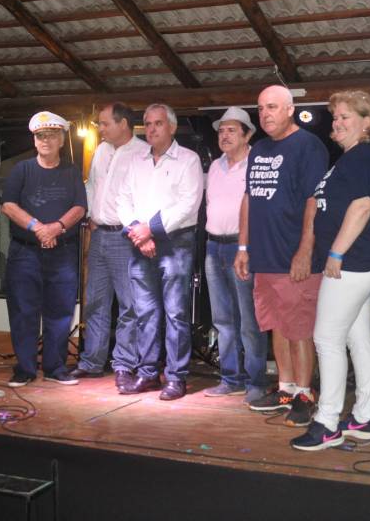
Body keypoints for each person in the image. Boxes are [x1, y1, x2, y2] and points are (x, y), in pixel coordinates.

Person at [290, 91, 370, 451]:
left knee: (327, 338)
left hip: (353, 264)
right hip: (361, 263)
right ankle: (363, 419)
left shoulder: (363, 156)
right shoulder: (350, 159)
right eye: (335, 117)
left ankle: (327, 423)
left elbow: (363, 207)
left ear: (367, 123)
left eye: (346, 116)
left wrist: (336, 253)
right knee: (357, 338)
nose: (337, 122)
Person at [235, 85, 329, 428]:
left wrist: (305, 250)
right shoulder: (258, 149)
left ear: (290, 109)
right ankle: (286, 389)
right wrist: (243, 247)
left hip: (294, 257)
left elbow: (314, 200)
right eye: (261, 108)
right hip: (264, 256)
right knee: (276, 324)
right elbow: (249, 198)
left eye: (272, 107)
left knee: (300, 328)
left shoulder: (308, 146)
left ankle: (305, 393)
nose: (265, 114)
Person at [117, 103, 204, 400]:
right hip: (139, 242)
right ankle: (148, 373)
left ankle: (176, 377)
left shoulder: (188, 159)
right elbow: (122, 200)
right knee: (145, 312)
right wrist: (138, 232)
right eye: (148, 123)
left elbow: (189, 204)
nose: (152, 129)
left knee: (176, 313)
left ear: (172, 127)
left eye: (158, 123)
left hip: (175, 242)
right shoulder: (136, 161)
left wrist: (150, 229)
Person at [65, 103, 150, 388]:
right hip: (99, 234)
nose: (100, 129)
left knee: (129, 305)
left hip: (125, 237)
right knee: (95, 301)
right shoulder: (101, 150)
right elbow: (92, 186)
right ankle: (92, 362)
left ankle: (124, 364)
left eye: (104, 124)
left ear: (123, 123)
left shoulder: (142, 152)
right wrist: (89, 215)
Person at [0, 112, 87, 387]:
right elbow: (8, 205)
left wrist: (56, 228)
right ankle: (25, 369)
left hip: (62, 252)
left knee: (60, 311)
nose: (45, 140)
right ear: (34, 140)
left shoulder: (72, 171)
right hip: (25, 252)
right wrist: (38, 227)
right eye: (40, 136)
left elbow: (80, 207)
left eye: (51, 135)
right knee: (23, 311)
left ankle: (55, 367)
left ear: (61, 139)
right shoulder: (21, 170)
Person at [202, 107, 269, 403]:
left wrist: (245, 247)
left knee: (249, 320)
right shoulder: (215, 167)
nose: (224, 135)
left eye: (231, 130)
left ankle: (256, 381)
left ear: (247, 135)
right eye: (221, 131)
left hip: (243, 248)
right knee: (222, 318)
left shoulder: (257, 164)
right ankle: (230, 378)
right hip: (213, 246)